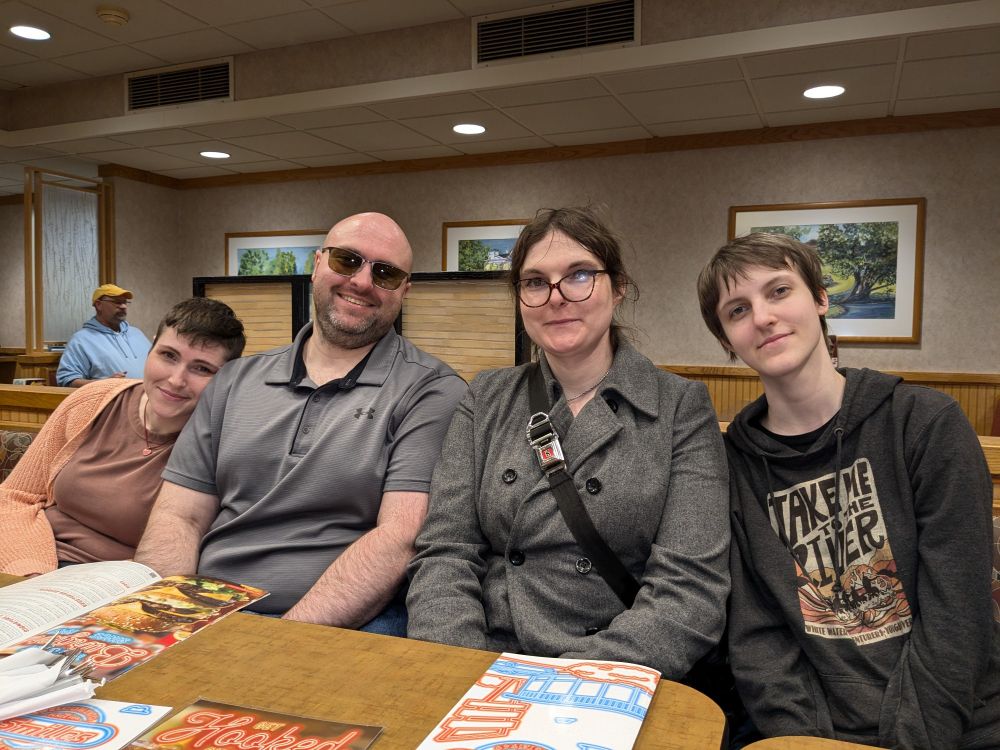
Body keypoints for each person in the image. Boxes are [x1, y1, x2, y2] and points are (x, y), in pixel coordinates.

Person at [697, 232, 1000, 749]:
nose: (763, 318)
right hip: (812, 733)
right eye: (738, 310)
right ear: (727, 341)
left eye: (778, 291)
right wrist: (804, 740)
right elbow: (757, 635)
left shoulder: (925, 424)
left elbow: (958, 616)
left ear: (820, 298)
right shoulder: (734, 464)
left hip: (958, 726)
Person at [406, 207, 730, 677]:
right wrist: (462, 669)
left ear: (618, 287)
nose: (556, 297)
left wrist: (566, 682)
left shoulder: (679, 405)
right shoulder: (486, 397)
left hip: (614, 670)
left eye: (579, 276)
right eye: (535, 281)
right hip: (483, 662)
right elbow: (445, 551)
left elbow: (690, 590)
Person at [134, 212, 467, 634]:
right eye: (347, 261)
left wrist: (282, 642)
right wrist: (166, 623)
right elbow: (179, 516)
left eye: (385, 273)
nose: (362, 282)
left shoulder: (431, 391)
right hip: (205, 610)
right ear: (317, 265)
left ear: (405, 289)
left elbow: (399, 538)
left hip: (338, 622)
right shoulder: (234, 381)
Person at [0, 297, 245, 576]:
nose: (176, 379)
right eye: (168, 355)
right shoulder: (93, 401)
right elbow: (15, 496)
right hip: (31, 559)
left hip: (118, 586)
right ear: (150, 348)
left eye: (202, 368)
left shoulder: (222, 442)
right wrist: (30, 572)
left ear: (226, 378)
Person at [56, 284, 152, 387]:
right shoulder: (81, 340)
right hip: (114, 402)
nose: (123, 306)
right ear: (98, 305)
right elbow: (67, 380)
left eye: (125, 302)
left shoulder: (137, 333)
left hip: (150, 399)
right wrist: (103, 385)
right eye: (117, 302)